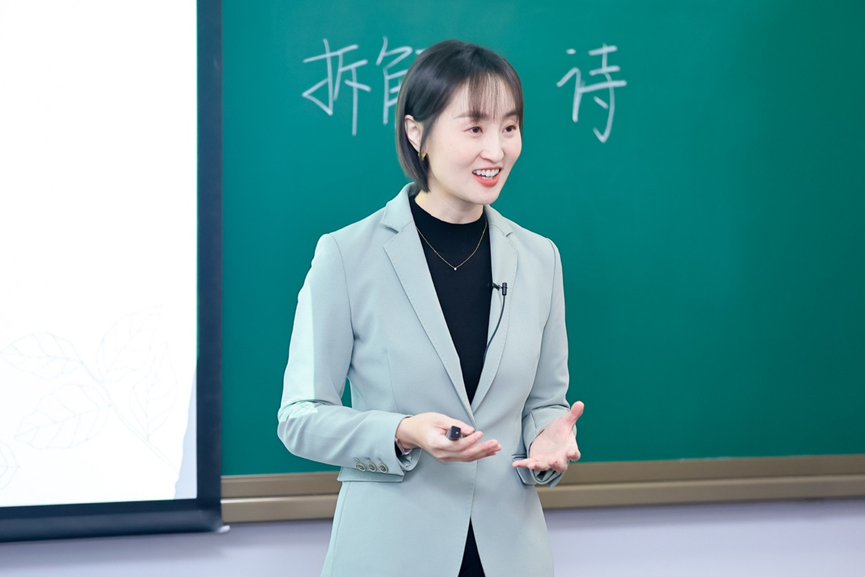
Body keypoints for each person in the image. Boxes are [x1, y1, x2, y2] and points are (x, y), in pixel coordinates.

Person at [277, 39, 584, 577]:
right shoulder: (347, 255)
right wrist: (402, 431)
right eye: (475, 128)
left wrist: (548, 437)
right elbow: (300, 418)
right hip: (388, 554)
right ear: (416, 133)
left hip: (509, 553)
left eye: (509, 128)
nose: (497, 150)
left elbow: (544, 402)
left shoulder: (540, 259)